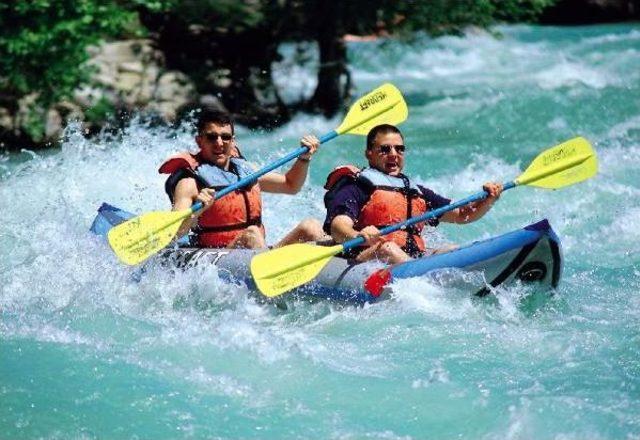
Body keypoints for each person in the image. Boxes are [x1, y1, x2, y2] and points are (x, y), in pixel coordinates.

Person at [323, 124, 503, 264]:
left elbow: (463, 215)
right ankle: (428, 284)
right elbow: (338, 227)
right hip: (365, 258)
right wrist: (359, 236)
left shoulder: (416, 191)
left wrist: (489, 199)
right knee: (388, 248)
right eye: (385, 149)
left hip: (410, 258)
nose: (394, 154)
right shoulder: (356, 185)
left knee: (452, 249)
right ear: (369, 154)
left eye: (399, 149)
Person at [159, 109, 326, 249]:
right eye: (212, 137)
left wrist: (304, 158)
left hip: (257, 252)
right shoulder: (189, 182)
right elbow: (173, 234)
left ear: (233, 141)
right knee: (251, 234)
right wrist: (196, 212)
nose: (219, 143)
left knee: (311, 227)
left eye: (225, 137)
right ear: (199, 141)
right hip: (219, 256)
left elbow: (291, 185)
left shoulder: (246, 171)